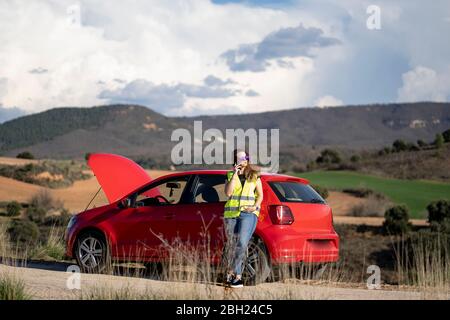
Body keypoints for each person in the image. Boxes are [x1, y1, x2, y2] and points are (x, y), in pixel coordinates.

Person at [223, 149, 263, 288]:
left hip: (248, 214)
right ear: (235, 160)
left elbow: (260, 195)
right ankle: (235, 278)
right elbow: (228, 193)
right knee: (232, 245)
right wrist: (234, 174)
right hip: (231, 215)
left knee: (241, 242)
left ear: (248, 159)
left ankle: (234, 274)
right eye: (239, 158)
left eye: (244, 158)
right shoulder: (229, 175)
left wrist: (255, 207)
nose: (243, 161)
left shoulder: (254, 175)